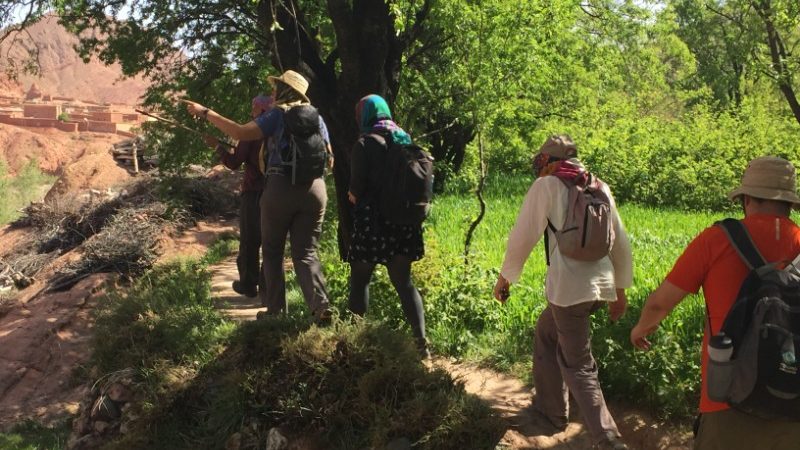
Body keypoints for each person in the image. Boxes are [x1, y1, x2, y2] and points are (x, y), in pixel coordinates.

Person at [630, 156, 800, 450]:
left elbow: (660, 302)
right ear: (790, 205)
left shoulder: (716, 240)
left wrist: (641, 329)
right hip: (793, 403)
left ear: (745, 199)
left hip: (726, 398)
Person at [493, 135, 632, 450]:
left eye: (541, 161)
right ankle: (551, 410)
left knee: (579, 366)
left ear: (550, 161)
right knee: (546, 331)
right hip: (601, 288)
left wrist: (505, 278)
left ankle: (608, 439)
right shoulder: (599, 186)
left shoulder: (547, 186)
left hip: (570, 291)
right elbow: (620, 241)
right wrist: (619, 291)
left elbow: (523, 235)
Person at [185, 70, 333, 322]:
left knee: (273, 250)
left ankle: (276, 312)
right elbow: (330, 160)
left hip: (280, 188)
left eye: (277, 89)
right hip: (316, 190)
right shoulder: (317, 119)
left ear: (286, 92)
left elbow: (240, 132)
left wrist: (205, 112)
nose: (273, 93)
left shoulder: (278, 115)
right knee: (306, 253)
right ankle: (320, 305)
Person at [347, 94, 429, 357]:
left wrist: (353, 196)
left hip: (373, 223)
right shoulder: (405, 140)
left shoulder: (364, 143)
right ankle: (422, 345)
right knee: (404, 283)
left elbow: (356, 189)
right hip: (403, 223)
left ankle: (354, 342)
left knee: (360, 280)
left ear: (365, 115)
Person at [204, 94, 273, 298]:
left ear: (261, 110)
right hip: (276, 191)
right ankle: (268, 288)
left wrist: (217, 146)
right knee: (270, 242)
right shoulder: (279, 128)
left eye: (253, 107)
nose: (251, 111)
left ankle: (248, 284)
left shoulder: (251, 130)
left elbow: (234, 163)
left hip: (253, 193)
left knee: (250, 241)